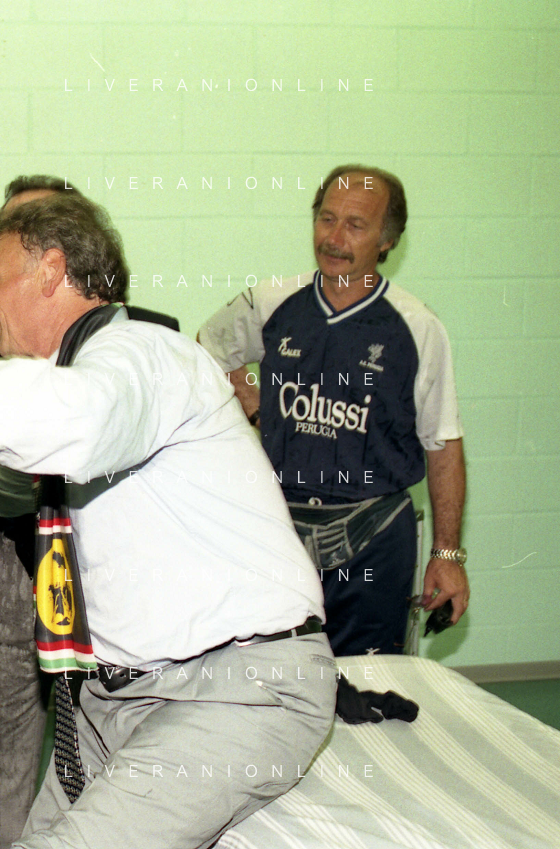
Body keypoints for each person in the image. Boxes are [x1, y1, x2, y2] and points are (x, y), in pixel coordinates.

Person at [0, 193, 335, 849]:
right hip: (122, 696)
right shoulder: (83, 384)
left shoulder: (146, 355)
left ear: (50, 270)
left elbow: (76, 420)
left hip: (232, 689)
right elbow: (1, 480)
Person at [198, 164, 469, 657]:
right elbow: (210, 349)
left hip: (375, 535)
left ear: (387, 241)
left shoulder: (417, 327)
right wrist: (255, 406)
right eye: (327, 219)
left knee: (369, 682)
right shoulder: (272, 301)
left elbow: (443, 444)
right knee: (273, 676)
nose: (334, 238)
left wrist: (447, 554)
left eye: (355, 225)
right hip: (278, 526)